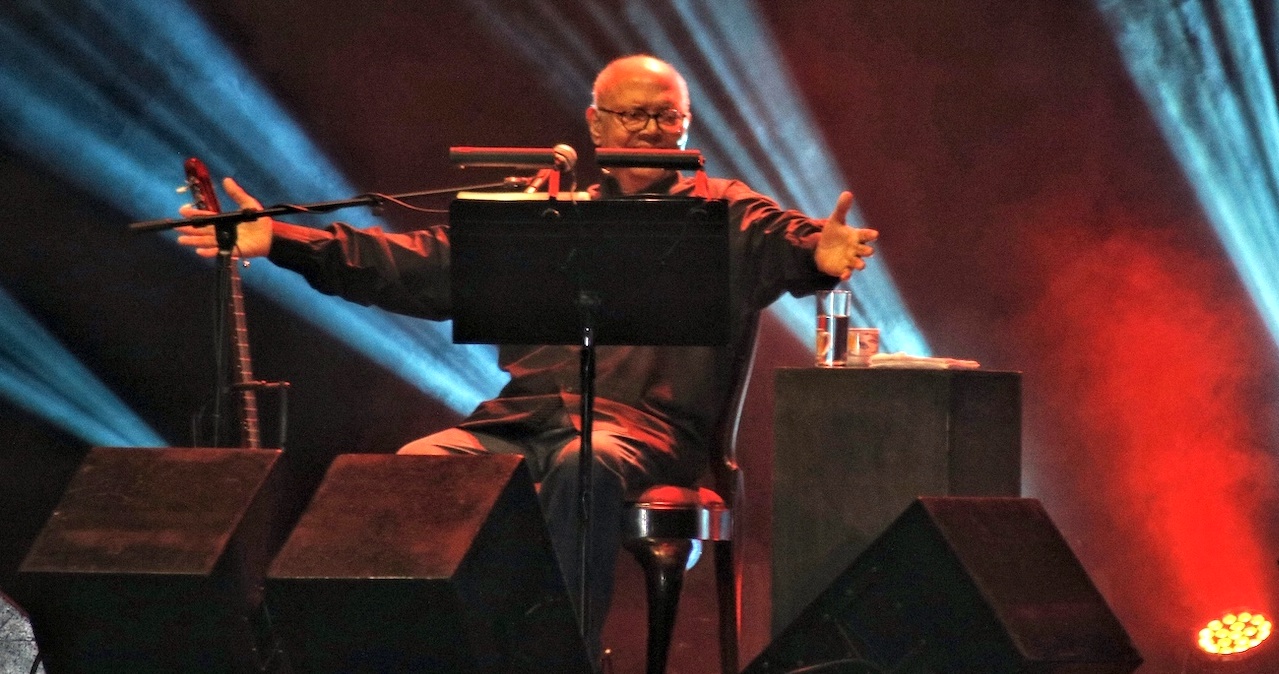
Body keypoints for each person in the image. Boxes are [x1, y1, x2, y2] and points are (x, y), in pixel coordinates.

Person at [176, 54, 877, 659]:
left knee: (582, 462)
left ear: (686, 122)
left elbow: (788, 239)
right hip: (526, 418)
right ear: (595, 124)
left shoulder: (722, 210)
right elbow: (419, 264)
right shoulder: (547, 210)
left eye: (665, 118)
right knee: (418, 471)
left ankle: (555, 662)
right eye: (631, 118)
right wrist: (283, 242)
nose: (649, 132)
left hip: (649, 434)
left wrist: (821, 252)